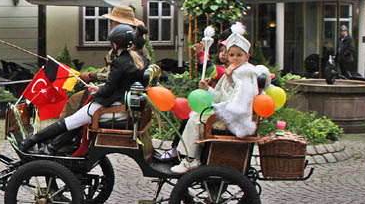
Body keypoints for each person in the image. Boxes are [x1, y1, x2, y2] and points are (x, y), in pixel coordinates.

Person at [20, 24, 147, 154]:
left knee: (70, 121)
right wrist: (99, 88)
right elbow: (121, 84)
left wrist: (97, 91)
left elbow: (108, 90)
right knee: (77, 121)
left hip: (114, 106)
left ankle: (30, 142)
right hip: (125, 104)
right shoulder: (140, 59)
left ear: (116, 44)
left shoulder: (119, 62)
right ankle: (51, 148)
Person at [169, 22, 261, 174]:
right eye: (232, 55)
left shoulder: (246, 74)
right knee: (195, 115)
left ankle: (191, 159)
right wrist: (208, 89)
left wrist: (230, 80)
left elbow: (239, 100)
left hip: (235, 118)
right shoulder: (230, 71)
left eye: (239, 55)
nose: (235, 58)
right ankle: (190, 156)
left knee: (195, 119)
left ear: (247, 56)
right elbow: (219, 96)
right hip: (225, 112)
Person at [80, 4, 146, 84]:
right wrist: (91, 74)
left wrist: (92, 76)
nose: (110, 23)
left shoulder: (131, 46)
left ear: (120, 23)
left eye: (112, 20)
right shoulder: (128, 42)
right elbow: (111, 68)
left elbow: (119, 73)